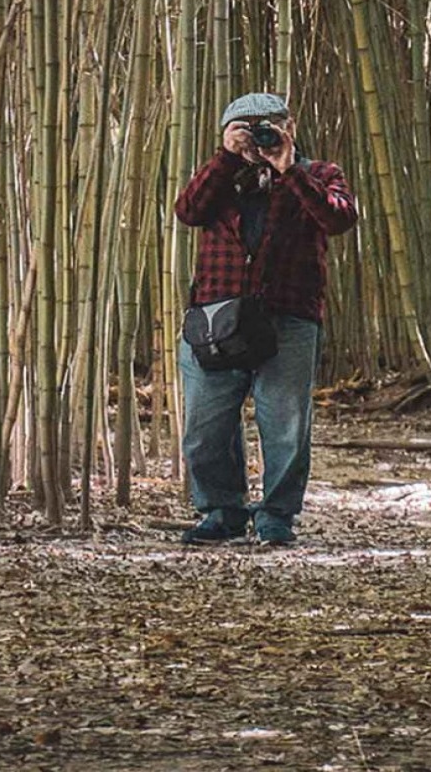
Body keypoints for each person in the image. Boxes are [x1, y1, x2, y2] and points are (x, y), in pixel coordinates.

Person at [173, 92, 358, 546]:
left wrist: (288, 168)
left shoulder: (318, 174)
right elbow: (188, 211)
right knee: (205, 424)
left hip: (287, 316)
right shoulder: (221, 177)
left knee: (285, 424)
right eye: (245, 128)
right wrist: (225, 158)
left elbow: (339, 219)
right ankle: (222, 511)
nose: (258, 136)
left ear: (288, 126)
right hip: (216, 318)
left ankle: (277, 515)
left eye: (266, 126)